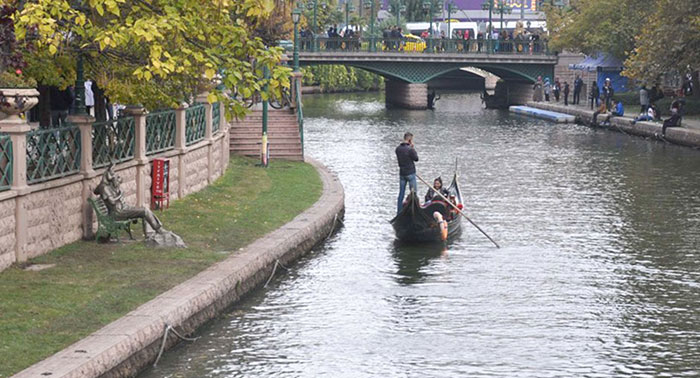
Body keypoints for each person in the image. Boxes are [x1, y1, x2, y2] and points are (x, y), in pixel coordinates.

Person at [396, 132, 419, 214]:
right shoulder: (410, 149)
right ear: (409, 140)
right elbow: (416, 158)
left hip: (402, 173)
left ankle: (399, 212)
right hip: (410, 173)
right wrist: (412, 148)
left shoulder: (398, 149)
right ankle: (414, 212)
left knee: (401, 193)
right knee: (413, 194)